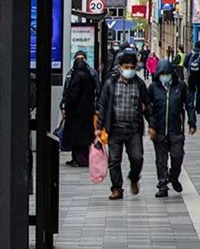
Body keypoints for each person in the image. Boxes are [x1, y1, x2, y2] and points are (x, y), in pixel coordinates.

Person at [95, 52, 150, 200]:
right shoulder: (110, 84)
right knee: (114, 160)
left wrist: (152, 124)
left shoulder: (139, 84)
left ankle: (133, 177)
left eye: (132, 67)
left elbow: (148, 106)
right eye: (127, 67)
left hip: (134, 129)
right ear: (120, 67)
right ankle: (117, 189)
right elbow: (103, 105)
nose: (129, 70)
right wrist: (99, 128)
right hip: (115, 128)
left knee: (137, 158)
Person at [148, 60, 197, 197]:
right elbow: (148, 108)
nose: (165, 76)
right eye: (162, 74)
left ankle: (173, 177)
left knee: (177, 156)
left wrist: (192, 122)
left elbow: (189, 105)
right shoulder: (153, 88)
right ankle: (162, 185)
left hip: (176, 129)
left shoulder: (180, 87)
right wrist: (151, 125)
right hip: (159, 130)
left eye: (167, 73)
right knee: (161, 159)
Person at [61, 52, 97, 167]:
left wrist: (66, 106)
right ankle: (81, 158)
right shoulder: (89, 75)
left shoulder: (75, 76)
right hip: (87, 112)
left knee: (75, 137)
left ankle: (79, 159)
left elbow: (71, 94)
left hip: (75, 112)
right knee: (84, 137)